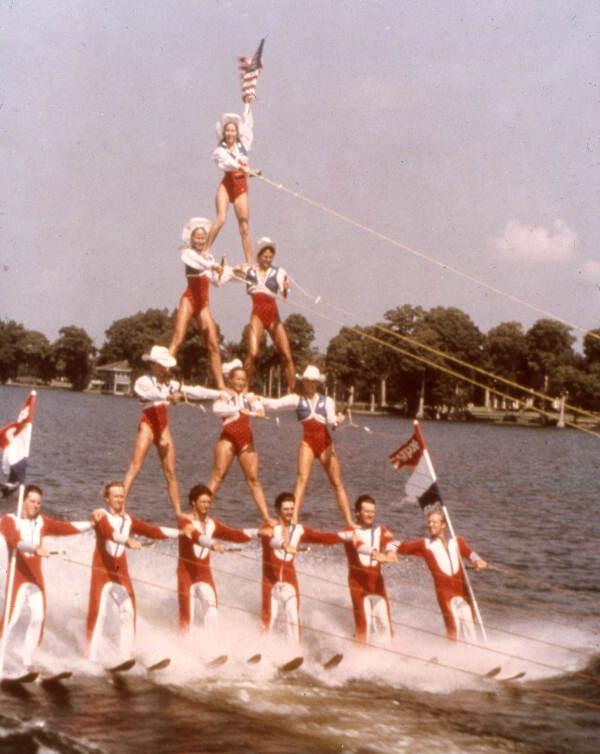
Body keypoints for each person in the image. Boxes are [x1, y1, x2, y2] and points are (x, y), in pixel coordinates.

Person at [86, 481, 188, 665]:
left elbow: (153, 531)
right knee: (98, 614)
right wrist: (127, 541)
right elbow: (109, 533)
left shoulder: (128, 520)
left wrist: (180, 533)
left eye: (122, 496)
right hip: (102, 574)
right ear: (107, 498)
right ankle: (90, 659)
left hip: (120, 574)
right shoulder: (102, 516)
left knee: (129, 612)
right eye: (115, 496)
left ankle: (124, 657)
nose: (119, 499)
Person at [0, 484, 95, 671]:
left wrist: (92, 524)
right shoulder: (9, 520)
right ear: (23, 501)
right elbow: (16, 542)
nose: (35, 506)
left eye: (39, 503)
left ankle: (26, 663)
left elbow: (66, 528)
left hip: (35, 579)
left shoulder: (42, 522)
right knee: (10, 620)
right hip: (16, 579)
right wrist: (35, 548)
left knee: (38, 617)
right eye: (32, 501)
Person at [123, 345, 222, 517]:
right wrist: (168, 396)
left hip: (163, 425)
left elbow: (194, 390)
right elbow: (152, 394)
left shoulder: (171, 383)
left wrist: (219, 394)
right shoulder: (143, 381)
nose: (165, 368)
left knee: (170, 472)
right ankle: (120, 507)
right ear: (153, 365)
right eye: (161, 365)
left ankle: (178, 512)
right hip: (148, 423)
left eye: (166, 365)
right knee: (136, 466)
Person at [262, 365, 353, 527]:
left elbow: (331, 421)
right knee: (302, 480)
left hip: (326, 444)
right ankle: (294, 519)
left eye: (313, 382)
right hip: (308, 444)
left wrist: (338, 420)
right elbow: (274, 405)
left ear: (318, 383)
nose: (310, 385)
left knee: (337, 483)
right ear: (303, 382)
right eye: (307, 381)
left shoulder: (327, 401)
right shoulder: (296, 399)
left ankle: (349, 521)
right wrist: (255, 398)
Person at [391, 507, 487, 642]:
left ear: (443, 525)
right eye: (429, 522)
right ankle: (451, 657)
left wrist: (477, 560)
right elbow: (401, 546)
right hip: (445, 594)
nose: (430, 525)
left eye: (434, 522)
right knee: (454, 628)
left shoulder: (457, 541)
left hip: (462, 592)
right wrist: (389, 545)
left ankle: (475, 657)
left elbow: (469, 552)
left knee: (470, 626)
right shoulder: (424, 544)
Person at [260, 491, 344, 642]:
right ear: (278, 510)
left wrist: (346, 537)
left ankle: (294, 651)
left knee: (293, 617)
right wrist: (283, 544)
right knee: (270, 617)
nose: (289, 513)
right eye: (286, 509)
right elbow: (269, 540)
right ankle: (262, 650)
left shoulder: (299, 530)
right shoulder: (269, 528)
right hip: (270, 582)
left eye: (292, 509)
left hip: (290, 580)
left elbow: (322, 538)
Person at [177, 484, 259, 633]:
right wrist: (212, 543)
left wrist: (257, 532)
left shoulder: (212, 524)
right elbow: (195, 536)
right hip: (186, 576)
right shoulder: (185, 522)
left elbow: (234, 534)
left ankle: (211, 647)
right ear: (193, 503)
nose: (206, 505)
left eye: (208, 502)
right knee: (187, 615)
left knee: (212, 611)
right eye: (202, 502)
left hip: (204, 575)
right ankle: (182, 649)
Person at [208, 360, 274, 525]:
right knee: (218, 476)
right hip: (228, 438)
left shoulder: (250, 398)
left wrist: (257, 411)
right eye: (237, 379)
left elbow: (260, 409)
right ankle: (199, 514)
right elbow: (217, 409)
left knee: (253, 479)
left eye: (243, 379)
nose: (241, 382)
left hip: (246, 439)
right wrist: (237, 410)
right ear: (230, 380)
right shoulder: (224, 397)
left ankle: (266, 517)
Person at [168, 217, 231, 389]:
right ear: (191, 238)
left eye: (203, 237)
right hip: (189, 300)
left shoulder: (209, 258)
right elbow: (200, 264)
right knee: (179, 336)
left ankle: (221, 385)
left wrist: (234, 271)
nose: (200, 240)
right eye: (197, 237)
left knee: (213, 343)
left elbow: (217, 280)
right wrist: (213, 265)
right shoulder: (187, 254)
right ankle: (163, 375)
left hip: (203, 304)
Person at [239, 237, 295, 391]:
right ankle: (243, 389)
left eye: (270, 257)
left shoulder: (279, 272)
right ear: (258, 256)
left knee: (286, 354)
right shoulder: (249, 270)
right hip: (257, 315)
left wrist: (284, 288)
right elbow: (231, 272)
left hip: (273, 316)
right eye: (265, 256)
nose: (268, 259)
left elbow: (284, 296)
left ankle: (294, 390)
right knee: (253, 353)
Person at [339, 495, 396, 644]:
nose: (370, 515)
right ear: (357, 512)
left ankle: (391, 655)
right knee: (366, 623)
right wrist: (375, 553)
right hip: (358, 585)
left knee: (385, 623)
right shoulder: (349, 531)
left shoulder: (381, 530)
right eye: (366, 511)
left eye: (372, 512)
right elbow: (358, 546)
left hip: (377, 585)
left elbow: (392, 541)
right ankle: (359, 656)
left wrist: (390, 552)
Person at [205, 102, 255, 264]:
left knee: (244, 225)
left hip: (240, 186)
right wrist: (242, 166)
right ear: (223, 133)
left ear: (236, 132)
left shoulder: (244, 145)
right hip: (227, 185)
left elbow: (247, 125)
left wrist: (247, 105)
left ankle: (249, 261)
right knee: (221, 218)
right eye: (227, 130)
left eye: (233, 130)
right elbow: (227, 163)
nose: (230, 133)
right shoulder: (220, 151)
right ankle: (206, 250)